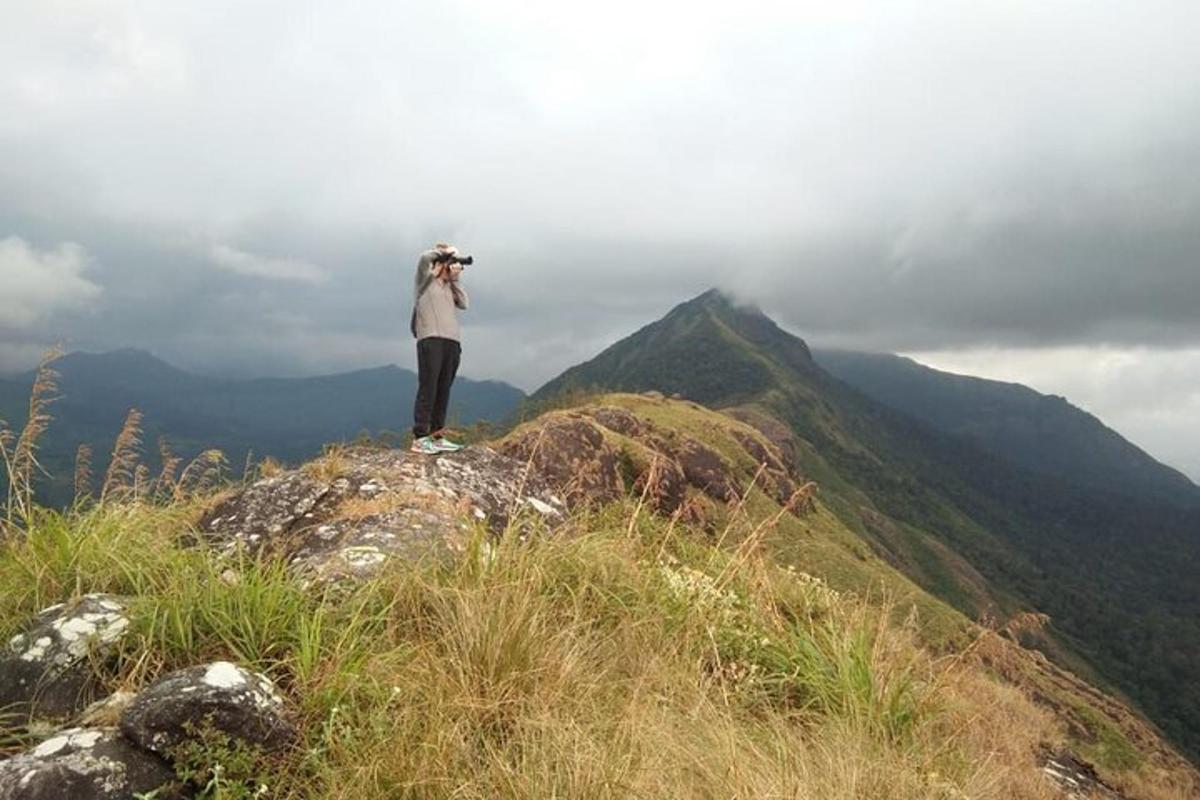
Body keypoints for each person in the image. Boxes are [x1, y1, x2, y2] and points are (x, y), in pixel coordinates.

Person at [410, 241, 470, 454]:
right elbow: (423, 258)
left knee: (444, 388)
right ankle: (420, 437)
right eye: (450, 263)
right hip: (431, 340)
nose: (453, 266)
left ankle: (436, 435)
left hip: (451, 342)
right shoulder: (424, 282)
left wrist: (456, 279)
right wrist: (446, 252)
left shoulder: (450, 286)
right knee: (429, 386)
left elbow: (464, 303)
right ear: (440, 263)